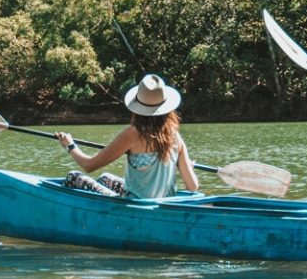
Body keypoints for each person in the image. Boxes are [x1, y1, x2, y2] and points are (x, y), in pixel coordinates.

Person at [54, 74, 200, 200]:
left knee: (73, 177)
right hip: (164, 204)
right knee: (105, 178)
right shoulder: (175, 136)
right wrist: (184, 167)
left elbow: (89, 165)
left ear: (138, 107)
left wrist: (70, 145)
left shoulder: (133, 134)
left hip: (137, 205)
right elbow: (193, 186)